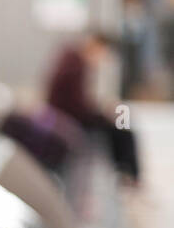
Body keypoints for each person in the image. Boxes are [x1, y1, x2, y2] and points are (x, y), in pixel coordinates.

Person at [46, 31, 140, 183]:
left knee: (120, 126)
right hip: (71, 118)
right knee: (122, 129)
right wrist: (101, 113)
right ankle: (130, 178)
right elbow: (78, 106)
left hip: (70, 115)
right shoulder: (76, 64)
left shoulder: (73, 60)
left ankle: (126, 175)